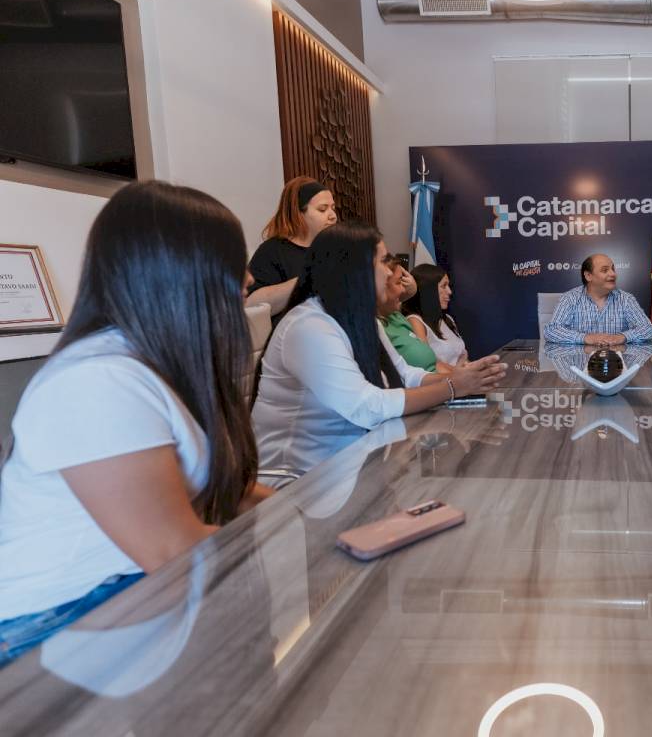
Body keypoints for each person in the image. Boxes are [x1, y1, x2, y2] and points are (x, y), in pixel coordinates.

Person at [0, 181, 270, 666]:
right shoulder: (96, 382)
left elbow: (236, 493)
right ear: (181, 274)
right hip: (53, 631)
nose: (247, 279)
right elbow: (174, 554)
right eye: (232, 264)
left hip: (123, 604)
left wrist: (324, 515)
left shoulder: (148, 366)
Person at [252, 223, 506, 473]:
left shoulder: (362, 318)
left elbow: (405, 375)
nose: (390, 273)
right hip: (297, 480)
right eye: (384, 262)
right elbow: (366, 406)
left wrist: (461, 377)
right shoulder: (308, 327)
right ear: (355, 269)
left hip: (352, 465)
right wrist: (452, 387)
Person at [245, 177, 338, 317]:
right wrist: (306, 278)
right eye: (322, 209)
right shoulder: (272, 251)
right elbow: (251, 304)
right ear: (298, 214)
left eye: (333, 208)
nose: (333, 216)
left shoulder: (336, 247)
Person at [543, 253, 652, 345]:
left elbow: (649, 330)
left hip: (617, 366)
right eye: (605, 270)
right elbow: (551, 331)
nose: (613, 274)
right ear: (588, 276)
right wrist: (585, 338)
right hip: (580, 366)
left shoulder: (625, 299)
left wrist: (623, 337)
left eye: (613, 269)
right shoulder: (570, 298)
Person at [379, 257, 441, 374]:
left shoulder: (395, 315)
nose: (403, 289)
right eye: (398, 282)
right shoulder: (377, 327)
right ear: (380, 286)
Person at [402, 264, 468, 368]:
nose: (449, 291)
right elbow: (430, 365)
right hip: (447, 382)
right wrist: (465, 374)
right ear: (428, 290)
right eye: (443, 286)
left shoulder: (447, 319)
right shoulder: (416, 322)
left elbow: (463, 359)